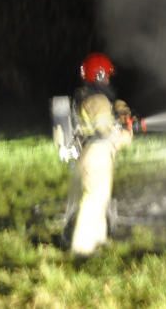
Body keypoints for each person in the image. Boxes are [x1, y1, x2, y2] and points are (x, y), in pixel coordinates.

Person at [64, 52, 135, 257]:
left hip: (92, 154)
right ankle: (82, 247)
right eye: (107, 76)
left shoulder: (89, 97)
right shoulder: (98, 100)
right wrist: (126, 134)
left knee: (101, 196)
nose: (109, 80)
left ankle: (99, 238)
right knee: (94, 197)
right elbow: (109, 134)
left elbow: (111, 111)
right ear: (100, 75)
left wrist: (123, 112)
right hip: (97, 153)